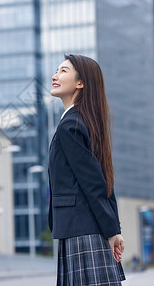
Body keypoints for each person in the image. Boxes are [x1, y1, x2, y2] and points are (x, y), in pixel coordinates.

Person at [48, 54, 126, 285]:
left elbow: (95, 184)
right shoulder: (85, 122)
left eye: (63, 71)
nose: (54, 76)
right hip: (86, 228)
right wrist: (113, 229)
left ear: (80, 83)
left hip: (81, 230)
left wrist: (113, 231)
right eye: (57, 70)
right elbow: (103, 181)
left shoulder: (70, 125)